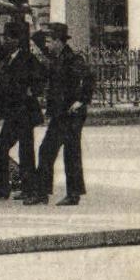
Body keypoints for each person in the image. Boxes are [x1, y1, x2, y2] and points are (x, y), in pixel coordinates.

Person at [32, 23, 94, 206]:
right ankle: (43, 192)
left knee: (70, 152)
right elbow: (35, 37)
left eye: (50, 41)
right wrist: (38, 23)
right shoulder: (56, 56)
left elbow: (90, 78)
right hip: (60, 113)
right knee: (47, 150)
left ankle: (71, 194)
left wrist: (81, 100)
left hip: (71, 114)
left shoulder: (73, 59)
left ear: (59, 41)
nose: (47, 45)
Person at [0, 17, 42, 200]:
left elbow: (42, 78)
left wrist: (32, 91)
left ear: (17, 40)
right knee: (1, 148)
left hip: (25, 112)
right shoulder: (7, 57)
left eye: (9, 38)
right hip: (13, 113)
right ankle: (4, 189)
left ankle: (29, 190)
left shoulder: (27, 58)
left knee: (24, 151)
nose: (5, 41)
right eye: (4, 38)